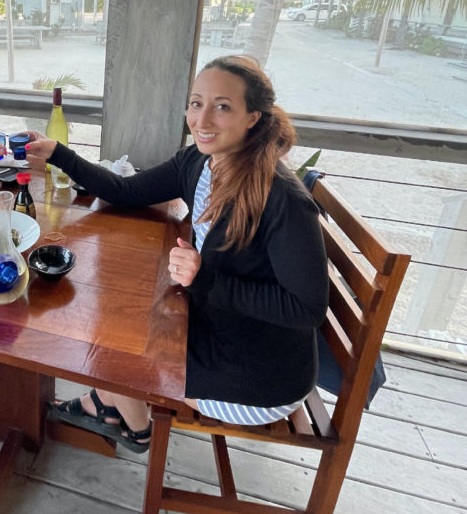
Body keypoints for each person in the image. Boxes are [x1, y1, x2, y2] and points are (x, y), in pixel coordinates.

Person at [25, 55, 329, 452]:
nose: (202, 121)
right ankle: (108, 403)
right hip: (219, 325)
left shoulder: (280, 199)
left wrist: (205, 280)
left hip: (259, 374)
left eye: (223, 107)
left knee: (110, 349)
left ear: (253, 116)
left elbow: (307, 308)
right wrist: (58, 154)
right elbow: (126, 192)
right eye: (196, 103)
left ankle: (135, 426)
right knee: (112, 317)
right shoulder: (199, 163)